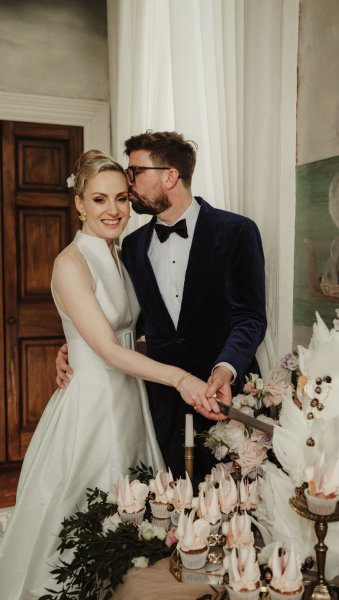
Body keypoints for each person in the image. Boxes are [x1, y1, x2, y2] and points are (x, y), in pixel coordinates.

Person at [0, 150, 225, 600]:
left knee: (131, 512)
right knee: (80, 506)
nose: (114, 210)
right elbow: (104, 348)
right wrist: (180, 379)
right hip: (92, 403)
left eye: (121, 198)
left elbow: (126, 335)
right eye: (99, 200)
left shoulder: (120, 254)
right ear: (79, 203)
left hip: (129, 398)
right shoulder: (70, 262)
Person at [57, 131, 267, 477]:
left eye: (135, 172)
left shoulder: (237, 231)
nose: (129, 180)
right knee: (162, 509)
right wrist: (74, 345)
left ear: (170, 176)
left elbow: (250, 316)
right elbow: (126, 321)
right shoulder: (133, 246)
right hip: (157, 404)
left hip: (223, 395)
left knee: (231, 508)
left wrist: (225, 368)